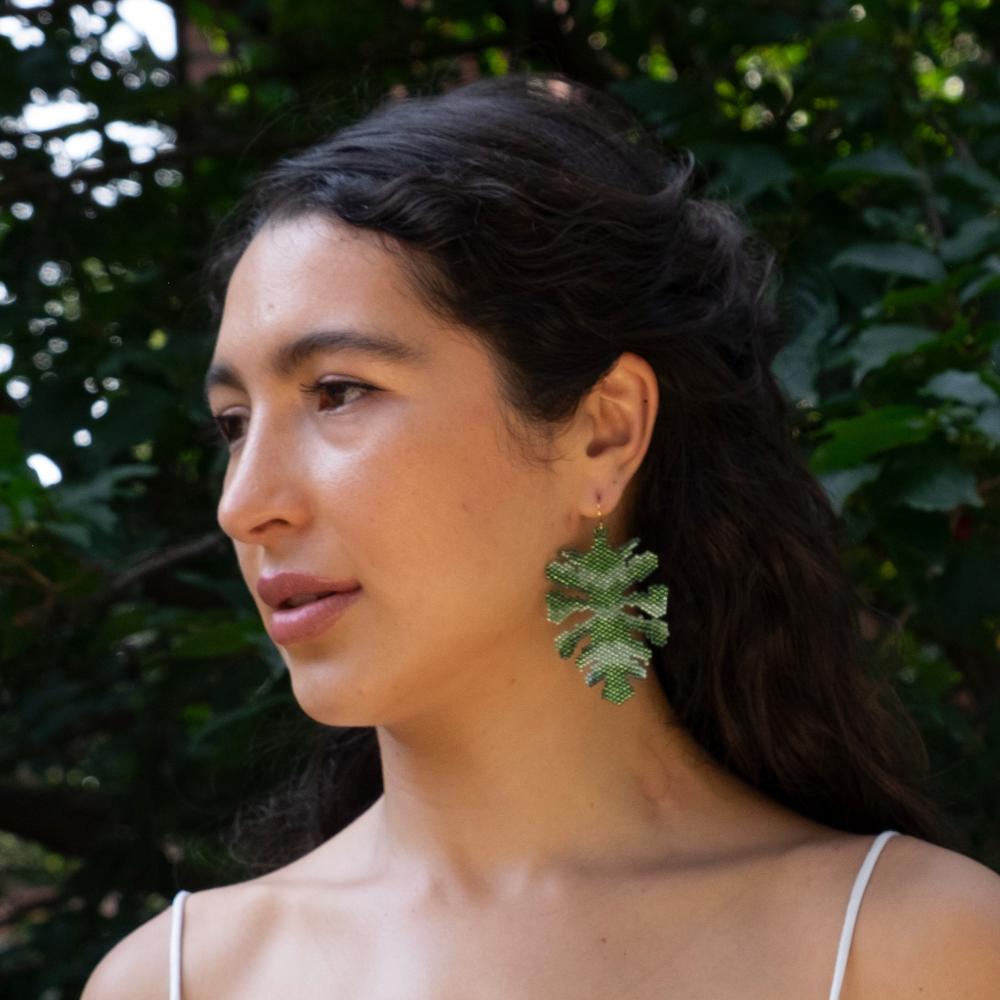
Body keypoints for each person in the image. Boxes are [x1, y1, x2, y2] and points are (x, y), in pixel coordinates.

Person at [82, 71, 1000, 999]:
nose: (243, 504)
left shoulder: (918, 950)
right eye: (235, 422)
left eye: (337, 393)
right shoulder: (178, 981)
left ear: (604, 431)